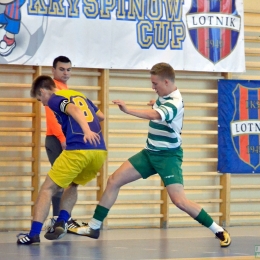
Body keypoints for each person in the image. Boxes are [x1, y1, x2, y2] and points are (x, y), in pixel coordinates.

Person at [70, 62, 231, 248]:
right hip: (149, 153)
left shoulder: (175, 102)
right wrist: (156, 102)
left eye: (155, 84)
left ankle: (218, 230)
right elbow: (160, 108)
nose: (152, 87)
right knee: (114, 180)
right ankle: (94, 226)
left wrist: (128, 109)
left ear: (166, 82)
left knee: (180, 201)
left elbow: (155, 116)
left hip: (168, 157)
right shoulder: (163, 96)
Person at [17, 75, 107, 245]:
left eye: (39, 99)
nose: (42, 104)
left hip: (80, 148)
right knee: (72, 184)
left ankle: (33, 234)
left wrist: (86, 131)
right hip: (99, 150)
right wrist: (89, 128)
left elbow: (74, 110)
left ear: (43, 91)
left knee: (47, 189)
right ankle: (62, 221)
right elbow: (100, 116)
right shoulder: (78, 94)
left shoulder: (54, 99)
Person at [44, 56, 80, 233]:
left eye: (69, 69)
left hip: (65, 139)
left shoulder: (65, 88)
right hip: (56, 140)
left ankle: (63, 219)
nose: (66, 73)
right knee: (60, 181)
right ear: (53, 70)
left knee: (68, 181)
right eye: (62, 69)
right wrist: (62, 138)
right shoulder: (53, 89)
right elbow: (52, 117)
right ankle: (59, 221)